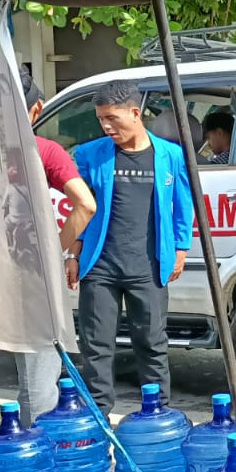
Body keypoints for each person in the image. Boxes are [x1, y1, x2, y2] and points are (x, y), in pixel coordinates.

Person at [71, 81, 192, 412]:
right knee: (96, 345)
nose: (107, 126)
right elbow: (82, 207)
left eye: (112, 118)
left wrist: (180, 249)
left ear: (135, 113)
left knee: (152, 343)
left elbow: (183, 206)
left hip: (148, 265)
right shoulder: (90, 155)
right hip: (100, 265)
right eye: (101, 120)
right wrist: (74, 252)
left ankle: (157, 413)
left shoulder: (170, 155)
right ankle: (97, 415)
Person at [19, 67, 97, 424]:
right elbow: (86, 204)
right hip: (32, 270)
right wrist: (56, 249)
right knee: (40, 367)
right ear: (36, 110)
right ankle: (38, 446)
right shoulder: (44, 151)